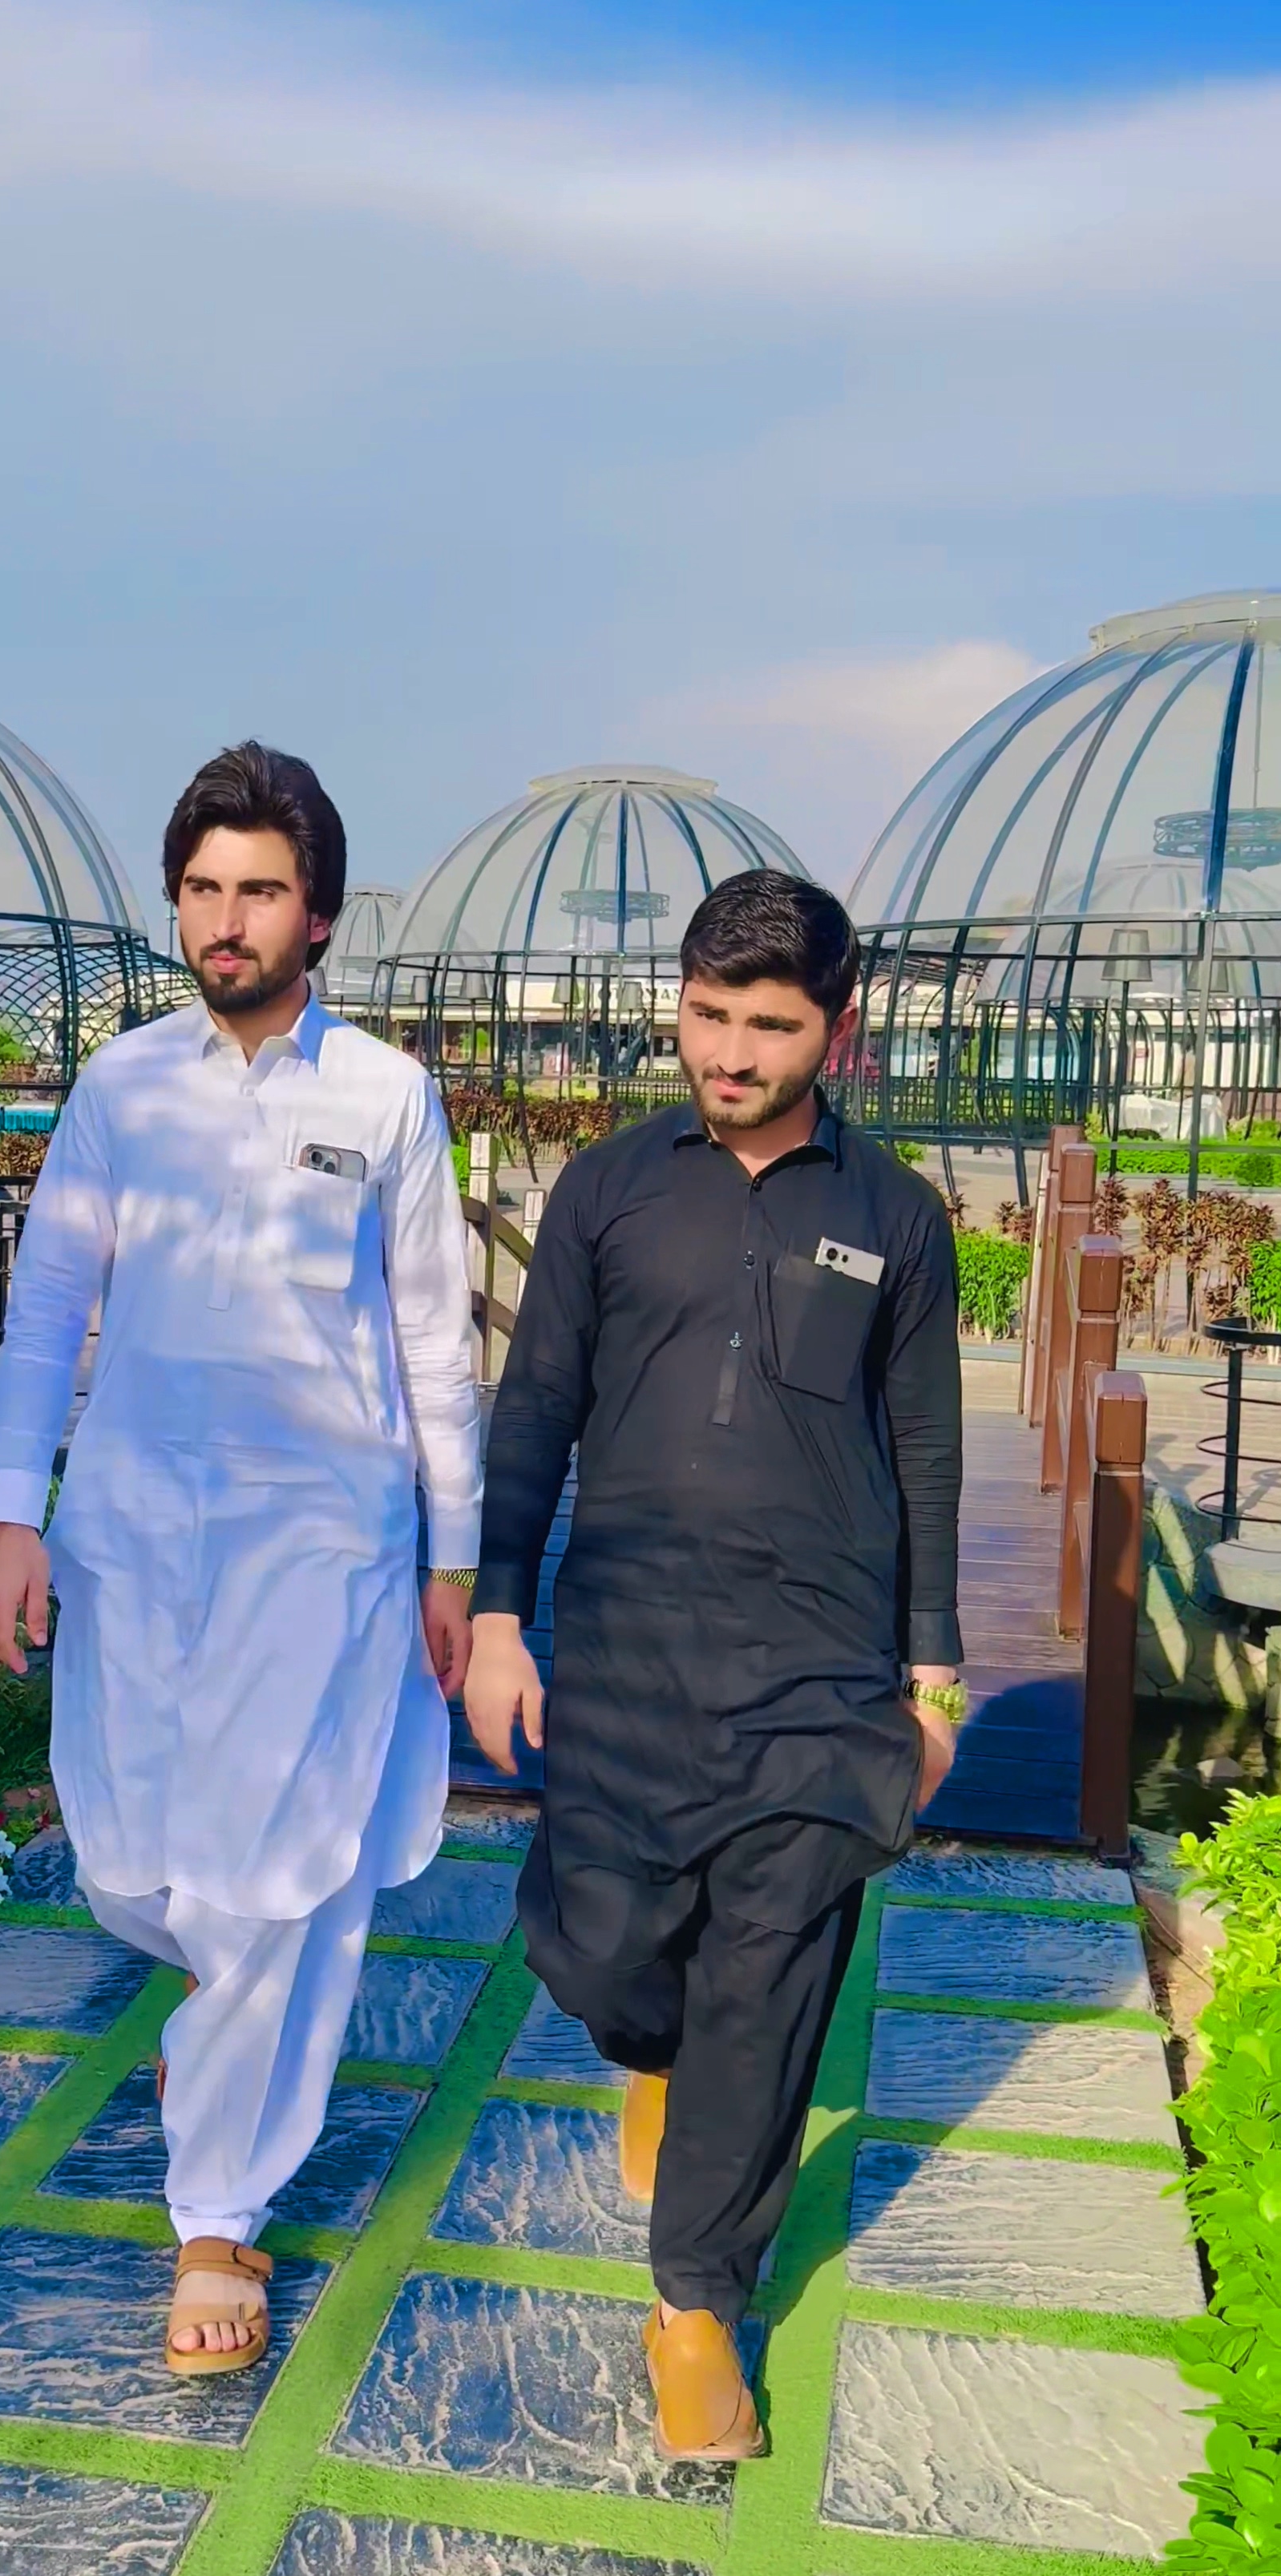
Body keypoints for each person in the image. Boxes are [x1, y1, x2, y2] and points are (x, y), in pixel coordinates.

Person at [0, 742, 480, 2376]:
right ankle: (219, 2023)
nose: (227, 918)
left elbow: (434, 1338)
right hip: (132, 1536)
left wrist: (455, 1559)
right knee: (135, 1863)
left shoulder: (385, 1096)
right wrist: (12, 1512)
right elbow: (51, 1303)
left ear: (317, 913)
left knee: (279, 1876)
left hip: (324, 1549)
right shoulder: (122, 1088)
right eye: (202, 887)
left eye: (260, 889)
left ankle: (217, 2214)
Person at [463, 868, 962, 2463]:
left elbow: (929, 1451)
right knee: (610, 1951)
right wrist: (495, 1619)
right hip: (627, 1648)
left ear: (840, 1032)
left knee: (773, 1973)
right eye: (707, 1016)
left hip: (820, 1668)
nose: (732, 1054)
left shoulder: (896, 1216)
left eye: (771, 1026)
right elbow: (536, 1409)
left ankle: (696, 2307)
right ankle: (648, 2050)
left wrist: (933, 1678)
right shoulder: (609, 1190)